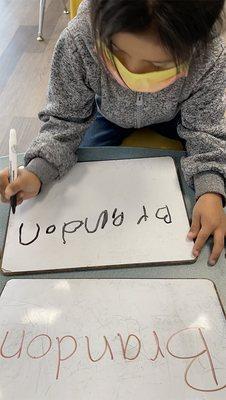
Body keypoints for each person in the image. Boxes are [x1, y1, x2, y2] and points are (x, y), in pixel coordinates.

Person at [0, 0, 225, 265]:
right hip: (107, 117)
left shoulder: (209, 55)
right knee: (81, 173)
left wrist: (211, 190)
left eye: (158, 64)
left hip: (176, 116)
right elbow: (64, 120)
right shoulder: (79, 39)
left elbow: (205, 130)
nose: (134, 70)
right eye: (116, 50)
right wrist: (38, 170)